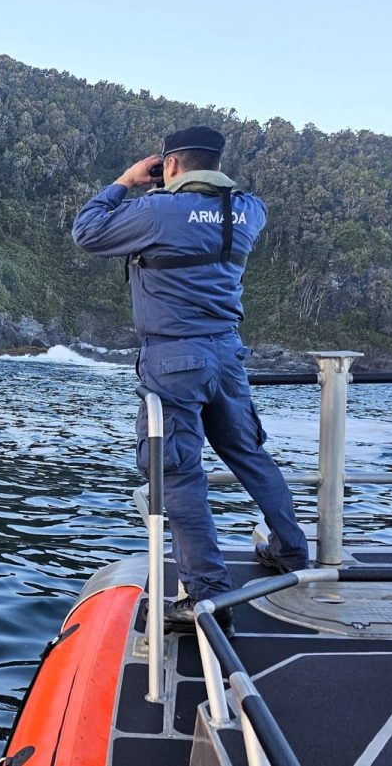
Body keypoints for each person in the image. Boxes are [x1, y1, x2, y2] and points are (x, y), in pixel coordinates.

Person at [71, 125, 309, 635]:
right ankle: (291, 551)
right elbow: (207, 216)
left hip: (174, 359)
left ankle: (207, 597)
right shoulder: (248, 210)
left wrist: (128, 181)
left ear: (170, 164)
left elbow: (88, 231)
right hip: (227, 355)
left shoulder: (156, 211)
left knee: (178, 473)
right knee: (247, 452)